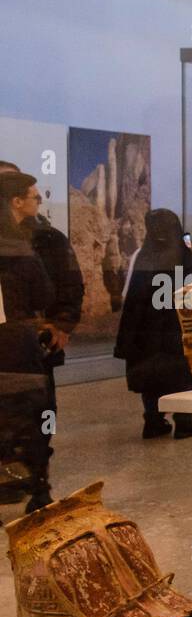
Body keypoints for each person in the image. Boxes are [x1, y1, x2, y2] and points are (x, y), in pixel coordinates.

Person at [0, 170, 83, 510]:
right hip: (21, 343)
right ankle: (24, 483)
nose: (38, 200)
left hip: (34, 343)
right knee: (26, 412)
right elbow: (46, 289)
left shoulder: (49, 238)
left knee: (38, 412)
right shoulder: (22, 246)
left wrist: (62, 324)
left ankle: (35, 482)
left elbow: (68, 285)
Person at [113, 209, 192, 439]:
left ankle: (153, 421)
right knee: (180, 375)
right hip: (177, 329)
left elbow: (132, 298)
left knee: (150, 377)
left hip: (146, 331)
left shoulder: (144, 256)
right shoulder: (185, 257)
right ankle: (184, 421)